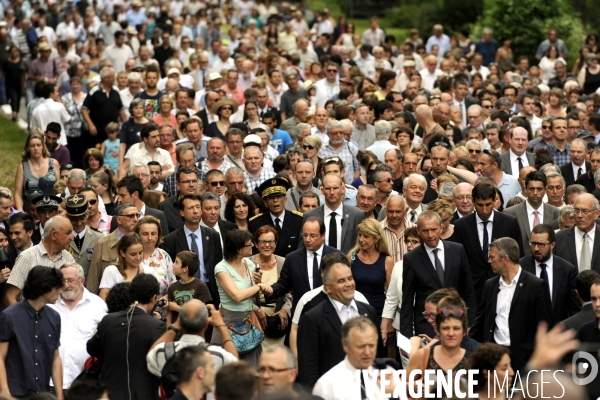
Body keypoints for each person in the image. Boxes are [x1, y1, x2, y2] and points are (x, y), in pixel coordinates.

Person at [296, 252, 379, 389]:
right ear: (328, 287)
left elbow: (378, 358)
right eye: (341, 281)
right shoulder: (312, 319)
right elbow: (308, 370)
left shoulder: (368, 311)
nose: (349, 284)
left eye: (350, 278)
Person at [470, 237, 554, 372]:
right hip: (494, 358)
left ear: (505, 259)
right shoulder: (490, 285)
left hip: (524, 361)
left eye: (492, 257)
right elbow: (481, 321)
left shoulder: (535, 285)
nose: (489, 261)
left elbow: (545, 326)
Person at [400, 211, 477, 339]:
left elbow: (468, 291)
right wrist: (406, 338)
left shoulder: (458, 250)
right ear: (418, 231)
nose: (430, 235)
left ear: (441, 228)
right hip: (426, 326)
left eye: (434, 229)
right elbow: (407, 300)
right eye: (425, 231)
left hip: (456, 322)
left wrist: (469, 324)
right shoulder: (411, 259)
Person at [87, 273, 165, 400]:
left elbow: (92, 349)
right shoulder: (157, 326)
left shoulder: (108, 321)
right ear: (154, 297)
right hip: (142, 394)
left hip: (110, 393)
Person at [0, 266, 65, 399]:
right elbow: (0, 356)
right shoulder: (9, 316)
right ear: (44, 287)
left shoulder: (54, 317)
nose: (60, 291)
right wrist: (5, 393)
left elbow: (55, 357)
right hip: (15, 393)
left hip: (43, 393)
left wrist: (59, 396)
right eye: (56, 287)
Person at [451, 183, 522, 303]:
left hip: (504, 287)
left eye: (488, 205)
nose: (484, 210)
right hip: (472, 291)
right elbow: (457, 261)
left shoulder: (509, 223)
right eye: (480, 205)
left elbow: (518, 258)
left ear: (494, 201)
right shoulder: (461, 226)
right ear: (473, 201)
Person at [212, 229, 272, 366]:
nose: (252, 245)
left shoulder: (248, 263)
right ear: (239, 249)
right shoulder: (221, 268)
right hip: (229, 320)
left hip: (247, 321)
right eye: (248, 244)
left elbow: (251, 293)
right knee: (226, 367)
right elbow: (237, 296)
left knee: (251, 368)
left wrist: (258, 281)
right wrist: (260, 286)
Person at [147, 299, 238, 386]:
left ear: (180, 322)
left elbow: (151, 355)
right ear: (206, 324)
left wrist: (176, 325)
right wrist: (221, 325)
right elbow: (235, 364)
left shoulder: (163, 352)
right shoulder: (216, 355)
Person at [47, 263, 107, 390]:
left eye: (70, 280)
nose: (66, 285)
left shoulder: (97, 305)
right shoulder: (49, 304)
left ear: (82, 280)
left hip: (84, 382)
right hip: (50, 381)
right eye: (62, 281)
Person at [160, 194, 223, 307]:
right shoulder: (171, 239)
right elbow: (171, 268)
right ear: (182, 212)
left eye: (198, 207)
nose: (195, 211)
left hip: (209, 289)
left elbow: (219, 264)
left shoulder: (213, 235)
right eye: (190, 208)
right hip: (183, 290)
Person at [406, 293, 472, 389]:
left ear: (464, 330)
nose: (451, 333)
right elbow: (400, 386)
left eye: (456, 328)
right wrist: (414, 386)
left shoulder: (476, 358)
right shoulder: (423, 356)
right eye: (445, 328)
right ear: (437, 330)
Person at [5, 216, 75, 306]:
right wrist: (22, 319)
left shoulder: (68, 257)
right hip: (32, 318)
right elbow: (10, 297)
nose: (72, 238)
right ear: (53, 235)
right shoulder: (27, 257)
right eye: (68, 233)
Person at [520, 223, 580, 322]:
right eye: (533, 243)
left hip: (558, 331)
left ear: (552, 245)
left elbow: (573, 307)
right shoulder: (521, 267)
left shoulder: (567, 270)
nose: (536, 249)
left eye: (541, 244)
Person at [303, 174, 364, 254]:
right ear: (322, 191)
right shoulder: (310, 215)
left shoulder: (356, 215)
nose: (332, 192)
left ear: (342, 189)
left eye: (335, 188)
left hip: (347, 264)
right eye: (328, 188)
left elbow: (361, 244)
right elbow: (304, 246)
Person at [380, 226, 421, 346]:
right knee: (406, 363)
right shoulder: (399, 266)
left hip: (424, 323)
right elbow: (391, 298)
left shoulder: (429, 265)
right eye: (407, 241)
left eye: (414, 242)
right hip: (402, 323)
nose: (409, 245)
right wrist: (384, 326)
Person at [86, 202, 138, 294]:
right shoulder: (103, 244)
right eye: (130, 216)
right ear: (118, 219)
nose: (135, 219)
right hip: (110, 300)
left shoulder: (143, 242)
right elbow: (93, 280)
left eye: (137, 215)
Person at [504, 171, 561, 255]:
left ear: (545, 190)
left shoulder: (556, 213)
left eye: (539, 189)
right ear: (525, 188)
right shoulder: (510, 213)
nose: (535, 193)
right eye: (532, 189)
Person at [347, 219, 393, 316]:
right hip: (355, 310)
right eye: (360, 235)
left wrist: (388, 318)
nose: (361, 239)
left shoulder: (386, 260)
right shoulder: (352, 257)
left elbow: (391, 294)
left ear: (376, 238)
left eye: (366, 236)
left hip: (379, 311)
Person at [248, 177, 303, 258]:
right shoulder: (256, 223)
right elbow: (254, 251)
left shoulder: (298, 219)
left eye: (279, 196)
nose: (275, 200)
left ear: (285, 200)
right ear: (265, 203)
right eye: (270, 198)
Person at [81, 67, 127, 148]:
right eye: (112, 77)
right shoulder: (94, 91)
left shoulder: (116, 91)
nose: (114, 79)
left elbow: (121, 110)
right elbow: (84, 109)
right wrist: (91, 125)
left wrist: (125, 125)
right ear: (106, 78)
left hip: (113, 132)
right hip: (97, 132)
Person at [14, 132, 60, 211]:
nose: (36, 148)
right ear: (28, 148)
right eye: (32, 146)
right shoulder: (22, 167)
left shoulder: (53, 163)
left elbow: (60, 188)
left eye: (38, 145)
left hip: (52, 209)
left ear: (43, 147)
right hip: (30, 211)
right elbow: (18, 194)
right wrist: (20, 211)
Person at [164, 251, 212, 326]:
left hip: (194, 331)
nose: (173, 265)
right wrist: (168, 332)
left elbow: (200, 313)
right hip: (176, 333)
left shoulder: (201, 286)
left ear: (185, 269)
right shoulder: (172, 287)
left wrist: (178, 308)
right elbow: (169, 314)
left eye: (176, 262)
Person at [554, 193, 600, 271]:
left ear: (596, 214)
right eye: (576, 210)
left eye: (585, 211)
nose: (579, 215)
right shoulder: (559, 238)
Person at [134, 216, 175, 298]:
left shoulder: (164, 255)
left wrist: (167, 298)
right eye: (145, 234)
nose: (150, 238)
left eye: (153, 234)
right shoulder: (130, 254)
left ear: (158, 235)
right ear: (137, 235)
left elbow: (173, 286)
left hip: (161, 308)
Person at [64, 194, 104, 279]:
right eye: (74, 219)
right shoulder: (61, 238)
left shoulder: (99, 238)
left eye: (82, 218)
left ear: (87, 214)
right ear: (67, 217)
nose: (78, 223)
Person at [98, 232, 144, 300]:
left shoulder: (149, 271)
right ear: (122, 253)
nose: (138, 257)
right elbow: (103, 299)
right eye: (133, 254)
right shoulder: (111, 271)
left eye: (140, 253)